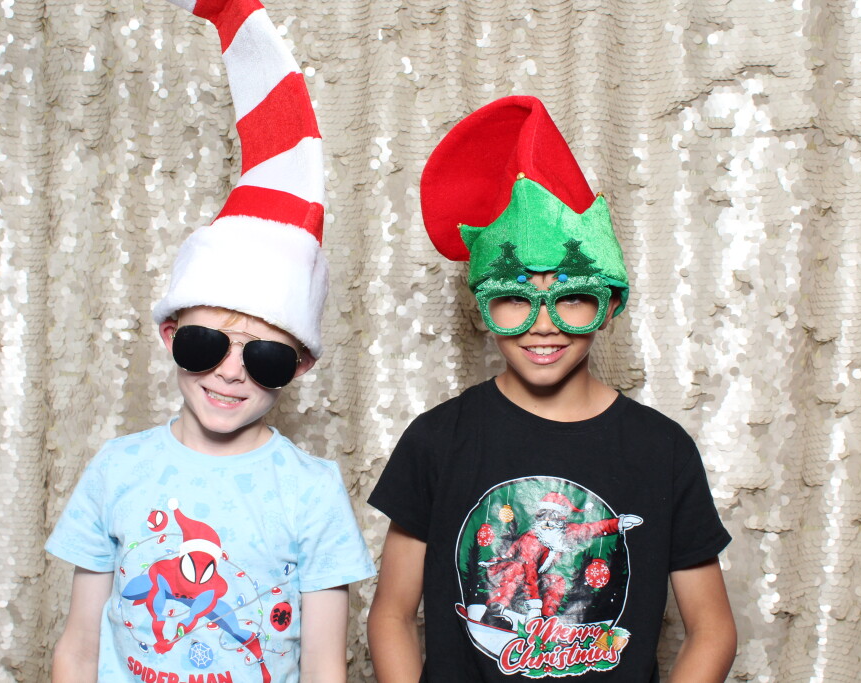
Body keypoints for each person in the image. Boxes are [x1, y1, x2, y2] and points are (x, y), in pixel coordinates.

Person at [45, 0, 375, 680]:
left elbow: (325, 665)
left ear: (299, 365)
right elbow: (78, 648)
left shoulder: (312, 491)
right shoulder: (116, 469)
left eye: (265, 356)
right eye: (205, 344)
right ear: (170, 335)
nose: (229, 372)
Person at [367, 96, 735, 682]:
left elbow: (712, 628)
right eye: (516, 299)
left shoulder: (661, 449)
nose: (543, 325)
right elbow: (392, 612)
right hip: (513, 598)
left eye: (571, 298)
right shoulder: (438, 439)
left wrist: (619, 526)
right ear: (484, 307)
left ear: (608, 307)